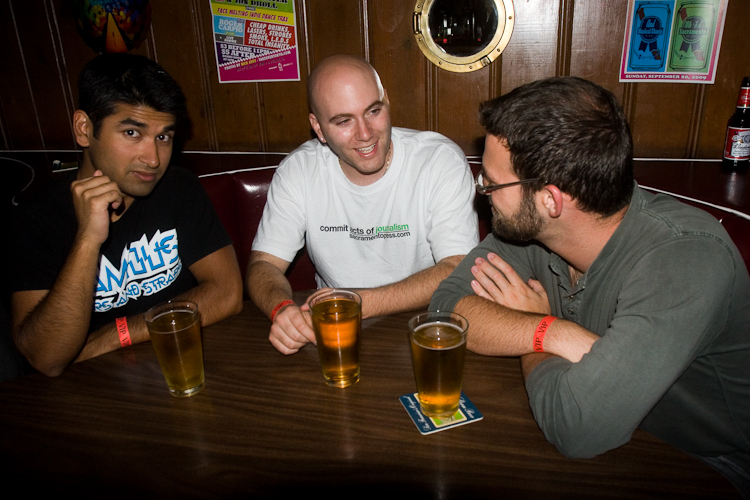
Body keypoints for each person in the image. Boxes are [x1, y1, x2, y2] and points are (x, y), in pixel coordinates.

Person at [430, 77, 750, 496]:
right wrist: (554, 332)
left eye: (491, 182)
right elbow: (447, 308)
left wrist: (533, 331)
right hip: (617, 439)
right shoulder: (530, 232)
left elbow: (576, 427)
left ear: (550, 200)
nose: (483, 192)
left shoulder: (687, 259)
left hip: (713, 462)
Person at [9, 54, 243, 377]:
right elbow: (47, 359)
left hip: (179, 366)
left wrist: (111, 337)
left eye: (163, 137)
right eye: (132, 133)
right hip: (90, 388)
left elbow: (228, 292)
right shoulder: (37, 218)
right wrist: (87, 239)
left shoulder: (178, 188)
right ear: (84, 129)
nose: (153, 159)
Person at [248, 54, 478, 355]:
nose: (366, 133)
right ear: (318, 128)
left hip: (426, 330)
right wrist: (281, 309)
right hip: (334, 337)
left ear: (387, 102)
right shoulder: (299, 171)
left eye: (373, 111)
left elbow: (458, 267)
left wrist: (356, 304)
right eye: (344, 121)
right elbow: (264, 265)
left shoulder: (439, 161)